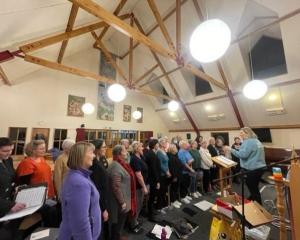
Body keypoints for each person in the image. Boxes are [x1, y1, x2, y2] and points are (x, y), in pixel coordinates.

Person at [59, 142, 101, 240]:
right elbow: (80, 222)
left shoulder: (81, 176)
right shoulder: (78, 182)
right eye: (91, 153)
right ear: (81, 155)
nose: (94, 156)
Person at [108, 145, 136, 240]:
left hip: (123, 198)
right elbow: (116, 186)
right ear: (119, 154)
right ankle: (116, 237)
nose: (127, 152)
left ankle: (118, 236)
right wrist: (122, 202)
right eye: (124, 151)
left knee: (120, 221)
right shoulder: (116, 166)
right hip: (119, 201)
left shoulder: (121, 164)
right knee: (117, 221)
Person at [231, 127, 266, 204]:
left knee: (253, 188)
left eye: (242, 133)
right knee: (254, 187)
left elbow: (243, 155)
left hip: (253, 169)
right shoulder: (256, 141)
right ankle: (251, 200)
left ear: (247, 133)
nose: (240, 135)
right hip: (260, 168)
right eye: (240, 133)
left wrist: (231, 150)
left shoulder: (248, 141)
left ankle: (259, 208)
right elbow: (251, 150)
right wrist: (240, 147)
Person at [0, 138, 26, 240]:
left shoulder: (8, 160)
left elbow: (11, 177)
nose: (9, 153)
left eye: (10, 150)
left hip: (8, 202)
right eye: (5, 151)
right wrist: (10, 205)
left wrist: (17, 187)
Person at [90, 139, 109, 240]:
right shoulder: (95, 164)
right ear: (97, 149)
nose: (106, 149)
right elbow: (97, 188)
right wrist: (103, 208)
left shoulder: (99, 160)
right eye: (104, 147)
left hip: (102, 201)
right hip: (99, 204)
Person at [130, 141, 148, 232]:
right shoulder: (134, 159)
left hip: (141, 184)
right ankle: (133, 224)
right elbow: (138, 175)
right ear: (137, 149)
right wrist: (144, 186)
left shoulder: (140, 157)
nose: (143, 148)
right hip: (138, 186)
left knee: (140, 203)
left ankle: (135, 220)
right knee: (137, 204)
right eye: (141, 147)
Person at [145, 139, 160, 220]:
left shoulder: (152, 153)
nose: (158, 145)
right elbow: (153, 169)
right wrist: (157, 181)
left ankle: (152, 211)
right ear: (154, 145)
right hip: (152, 179)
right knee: (152, 196)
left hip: (152, 178)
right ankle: (150, 215)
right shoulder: (151, 154)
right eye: (157, 144)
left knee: (153, 196)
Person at [156, 138, 171, 211]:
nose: (166, 144)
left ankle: (163, 205)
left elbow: (166, 163)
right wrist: (166, 171)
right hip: (162, 174)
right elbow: (160, 164)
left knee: (164, 190)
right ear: (161, 144)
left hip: (166, 173)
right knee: (161, 191)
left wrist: (168, 171)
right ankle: (159, 207)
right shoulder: (159, 152)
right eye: (165, 142)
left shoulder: (164, 151)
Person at [167, 144, 182, 209]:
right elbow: (172, 168)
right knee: (173, 189)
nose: (176, 149)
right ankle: (172, 202)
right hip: (174, 176)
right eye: (175, 148)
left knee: (176, 188)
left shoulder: (175, 155)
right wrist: (174, 177)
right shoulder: (171, 157)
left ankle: (175, 200)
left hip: (178, 175)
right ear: (172, 149)